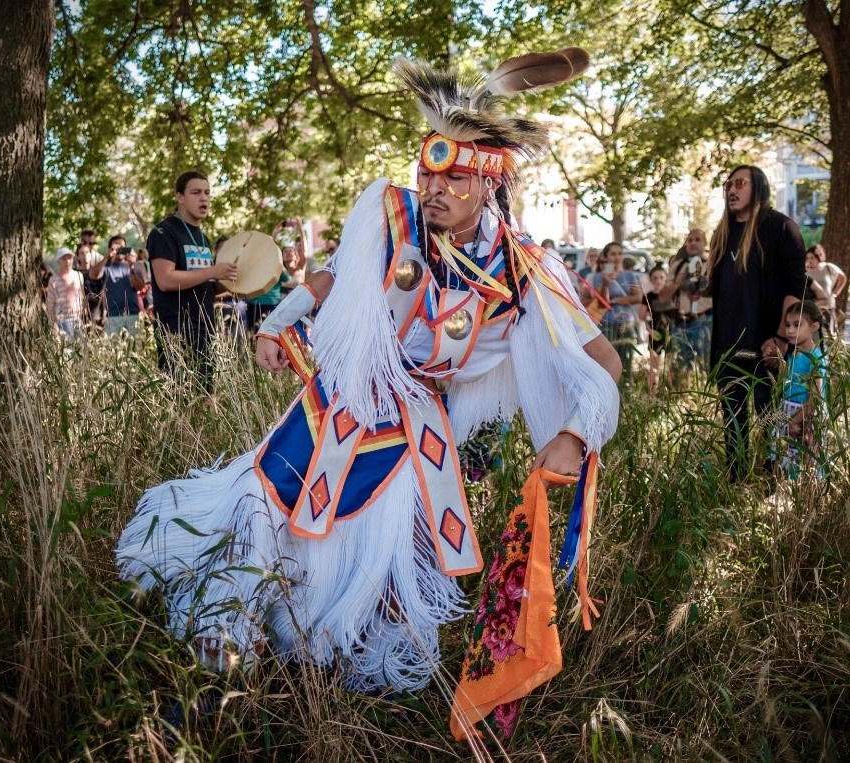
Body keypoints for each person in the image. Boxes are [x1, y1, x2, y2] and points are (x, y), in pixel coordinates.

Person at [117, 51, 620, 695]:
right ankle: (229, 616)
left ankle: (327, 635)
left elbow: (602, 360)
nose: (433, 187)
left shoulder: (523, 274)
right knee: (272, 491)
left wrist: (576, 434)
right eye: (427, 168)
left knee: (379, 545)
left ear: (489, 182)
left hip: (418, 425)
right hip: (347, 388)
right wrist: (278, 322)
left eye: (454, 176)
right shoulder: (391, 215)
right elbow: (333, 277)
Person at [708, 164, 806, 481]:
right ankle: (736, 484)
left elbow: (797, 288)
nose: (732, 190)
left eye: (740, 183)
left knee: (769, 420)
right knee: (733, 422)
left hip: (767, 345)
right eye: (728, 184)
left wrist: (780, 338)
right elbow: (719, 289)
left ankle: (768, 484)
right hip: (728, 347)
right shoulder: (721, 234)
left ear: (758, 187)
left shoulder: (780, 228)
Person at [147, 171, 237, 391]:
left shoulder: (202, 237)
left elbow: (204, 283)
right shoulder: (163, 232)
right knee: (180, 396)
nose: (204, 198)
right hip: (176, 328)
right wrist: (212, 271)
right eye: (196, 192)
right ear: (180, 197)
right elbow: (165, 280)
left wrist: (236, 284)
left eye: (207, 192)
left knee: (204, 394)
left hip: (204, 325)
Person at [769, 301, 827, 480]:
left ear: (814, 327)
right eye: (787, 325)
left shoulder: (815, 358)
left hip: (803, 417)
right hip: (788, 413)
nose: (790, 330)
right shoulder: (793, 353)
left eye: (797, 325)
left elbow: (815, 397)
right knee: (787, 459)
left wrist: (795, 421)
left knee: (804, 462)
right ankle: (786, 496)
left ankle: (806, 500)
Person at [582, 241, 642, 381]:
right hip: (606, 324)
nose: (617, 257)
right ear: (606, 256)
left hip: (626, 323)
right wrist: (605, 284)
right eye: (613, 254)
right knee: (607, 365)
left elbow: (638, 297)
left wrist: (616, 301)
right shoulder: (596, 278)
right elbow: (601, 302)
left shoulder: (630, 276)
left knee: (626, 362)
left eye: (620, 253)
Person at [665, 229, 713, 377]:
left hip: (704, 321)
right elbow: (663, 296)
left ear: (705, 243)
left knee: (704, 366)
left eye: (697, 240)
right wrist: (679, 282)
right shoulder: (678, 265)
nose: (693, 243)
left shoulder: (713, 263)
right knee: (680, 368)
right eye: (689, 240)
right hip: (680, 323)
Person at [89, 235, 145, 336]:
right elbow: (93, 275)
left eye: (122, 247)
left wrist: (132, 268)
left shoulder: (133, 265)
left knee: (136, 348)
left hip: (133, 314)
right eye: (116, 247)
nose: (119, 250)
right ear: (110, 249)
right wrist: (107, 256)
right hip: (113, 316)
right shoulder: (106, 266)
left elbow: (140, 288)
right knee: (113, 350)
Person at [643, 265, 677, 394]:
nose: (658, 280)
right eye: (655, 278)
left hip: (671, 334)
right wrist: (650, 331)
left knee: (671, 366)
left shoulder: (673, 295)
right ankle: (652, 393)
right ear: (651, 280)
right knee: (654, 367)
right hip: (655, 335)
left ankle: (671, 392)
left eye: (662, 277)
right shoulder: (648, 297)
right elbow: (642, 317)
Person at [805, 244, 846, 334]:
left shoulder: (827, 267)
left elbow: (842, 277)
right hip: (811, 307)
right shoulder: (805, 271)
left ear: (818, 256)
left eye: (812, 257)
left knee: (829, 332)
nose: (809, 260)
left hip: (828, 307)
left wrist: (836, 292)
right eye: (807, 258)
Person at [45, 247, 85, 340]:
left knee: (81, 349)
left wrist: (83, 315)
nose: (67, 261)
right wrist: (52, 324)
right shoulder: (53, 279)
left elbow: (82, 297)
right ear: (58, 261)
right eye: (64, 259)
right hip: (62, 320)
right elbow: (50, 303)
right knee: (68, 351)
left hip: (78, 319)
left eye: (69, 258)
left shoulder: (78, 275)